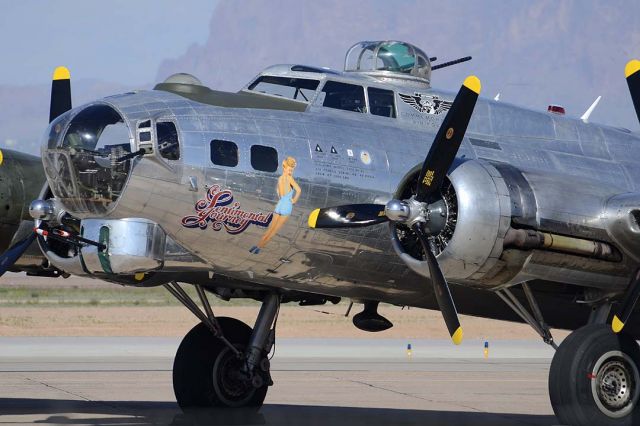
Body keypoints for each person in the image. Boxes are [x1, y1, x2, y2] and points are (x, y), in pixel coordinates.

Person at [250, 156, 301, 254]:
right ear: (284, 167)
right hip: (282, 204)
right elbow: (289, 191)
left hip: (284, 205)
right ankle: (258, 246)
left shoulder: (286, 178)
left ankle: (259, 247)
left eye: (291, 170)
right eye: (289, 169)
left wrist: (293, 200)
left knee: (273, 230)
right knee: (271, 229)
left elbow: (298, 190)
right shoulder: (282, 178)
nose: (290, 172)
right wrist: (291, 200)